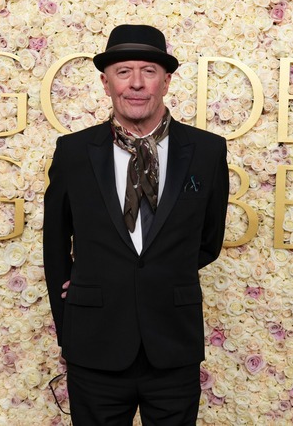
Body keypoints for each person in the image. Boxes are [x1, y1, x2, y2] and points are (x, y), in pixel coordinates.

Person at [44, 24, 229, 426]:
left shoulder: (207, 151)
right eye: (124, 71)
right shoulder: (74, 151)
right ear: (106, 82)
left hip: (173, 345)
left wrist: (155, 277)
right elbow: (55, 246)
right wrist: (72, 323)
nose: (137, 83)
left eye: (148, 71)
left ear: (166, 81)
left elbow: (209, 240)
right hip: (94, 344)